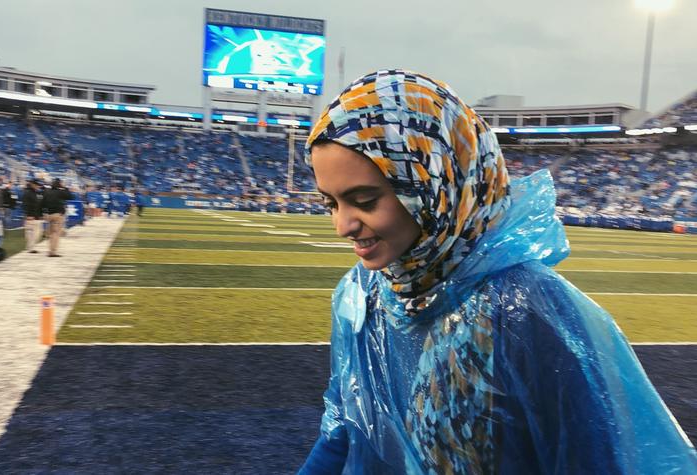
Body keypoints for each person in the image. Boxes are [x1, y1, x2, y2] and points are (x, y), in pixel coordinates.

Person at [299, 70, 697, 474]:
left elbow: (595, 462)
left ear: (434, 182)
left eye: (364, 200)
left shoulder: (528, 311)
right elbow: (343, 429)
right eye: (330, 203)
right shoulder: (364, 293)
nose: (342, 226)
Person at [41, 178, 72, 257]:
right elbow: (70, 196)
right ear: (59, 184)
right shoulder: (60, 192)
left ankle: (50, 250)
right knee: (55, 234)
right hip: (57, 215)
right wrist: (65, 188)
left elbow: (42, 203)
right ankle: (53, 251)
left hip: (49, 214)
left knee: (51, 233)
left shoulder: (47, 192)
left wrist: (44, 213)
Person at [22, 178, 43, 253]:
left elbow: (39, 204)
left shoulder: (37, 193)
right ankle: (30, 248)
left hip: (37, 216)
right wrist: (27, 214)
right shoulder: (27, 193)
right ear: (32, 184)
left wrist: (41, 214)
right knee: (30, 233)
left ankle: (31, 246)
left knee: (38, 233)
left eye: (38, 185)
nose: (38, 186)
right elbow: (25, 205)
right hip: (30, 216)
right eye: (37, 185)